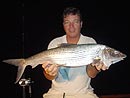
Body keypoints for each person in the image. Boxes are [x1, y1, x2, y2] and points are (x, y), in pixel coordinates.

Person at [42, 7, 108, 98]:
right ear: (63, 25)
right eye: (67, 22)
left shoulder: (90, 42)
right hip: (56, 93)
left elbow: (91, 74)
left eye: (75, 22)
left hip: (83, 93)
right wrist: (49, 73)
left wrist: (97, 67)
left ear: (81, 24)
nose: (71, 26)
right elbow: (49, 77)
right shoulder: (55, 43)